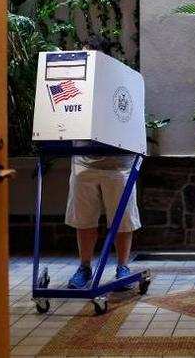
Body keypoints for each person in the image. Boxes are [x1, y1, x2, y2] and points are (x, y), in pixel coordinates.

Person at [65, 38, 141, 289]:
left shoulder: (122, 82)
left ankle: (122, 267)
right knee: (83, 218)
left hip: (118, 163)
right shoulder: (73, 84)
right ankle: (84, 268)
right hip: (84, 160)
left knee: (121, 219)